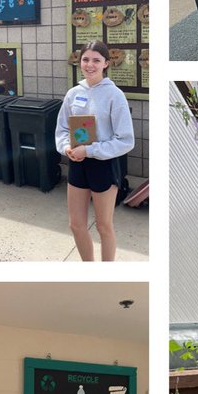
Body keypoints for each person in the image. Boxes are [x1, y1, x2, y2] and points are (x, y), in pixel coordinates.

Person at [55, 40, 134, 262]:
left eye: (96, 60)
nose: (90, 65)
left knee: (103, 225)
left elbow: (126, 140)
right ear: (80, 61)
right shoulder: (73, 94)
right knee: (76, 224)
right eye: (86, 59)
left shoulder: (115, 95)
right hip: (78, 164)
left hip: (104, 165)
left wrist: (89, 151)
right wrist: (66, 147)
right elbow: (62, 128)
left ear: (106, 63)